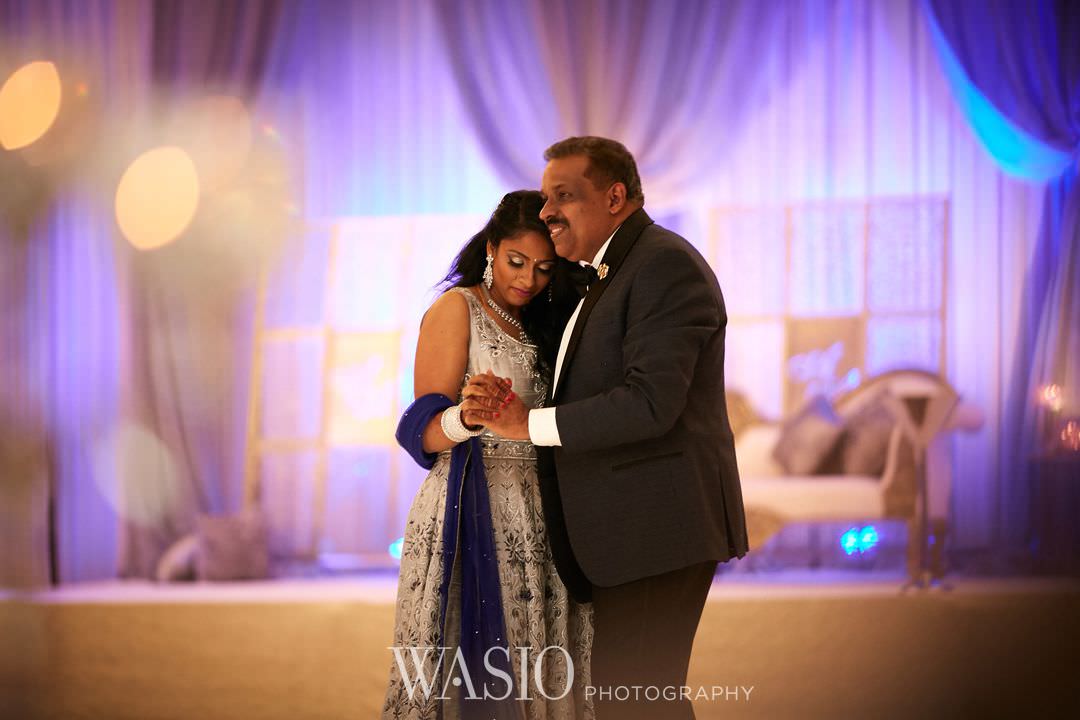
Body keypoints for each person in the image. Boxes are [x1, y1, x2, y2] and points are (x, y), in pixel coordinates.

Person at [470, 137, 749, 720]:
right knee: (638, 701)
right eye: (546, 197)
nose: (547, 211)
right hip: (630, 535)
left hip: (658, 528)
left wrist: (530, 424)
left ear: (615, 196)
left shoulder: (663, 264)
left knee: (640, 700)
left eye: (564, 196)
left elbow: (650, 403)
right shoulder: (607, 272)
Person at [383, 190, 593, 720]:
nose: (527, 280)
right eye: (515, 262)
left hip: (542, 512)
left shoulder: (547, 322)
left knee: (541, 662)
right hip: (471, 509)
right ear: (492, 247)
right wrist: (467, 416)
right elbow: (421, 432)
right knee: (475, 676)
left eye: (544, 269)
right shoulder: (460, 308)